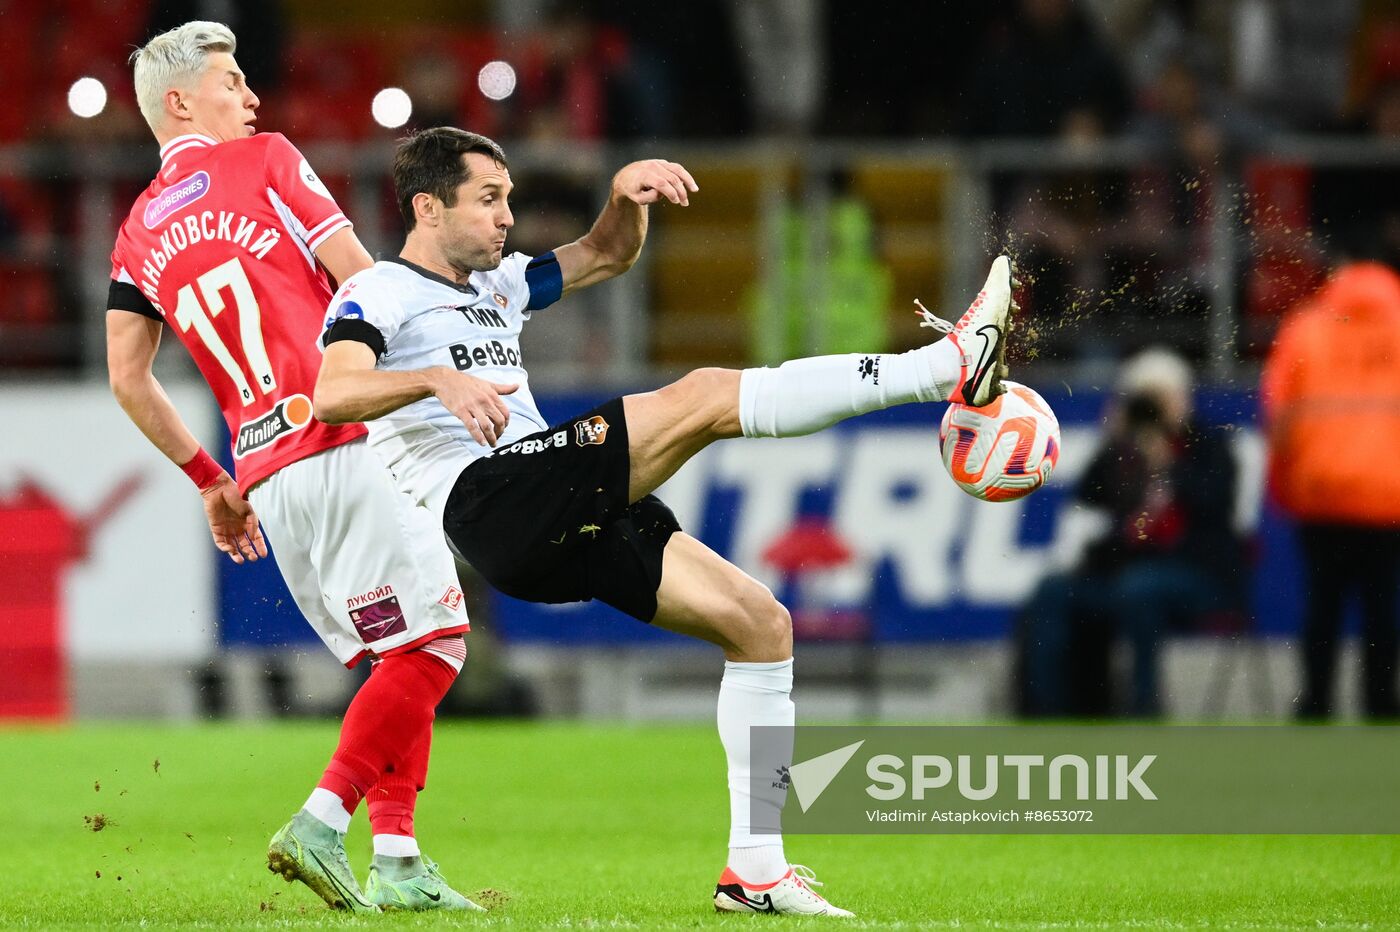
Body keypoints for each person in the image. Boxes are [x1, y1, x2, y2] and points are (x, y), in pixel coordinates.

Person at [312, 126, 1017, 918]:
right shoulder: (377, 291)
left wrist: (623, 198)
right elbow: (333, 395)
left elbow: (606, 256)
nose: (508, 216)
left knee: (761, 625)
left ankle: (755, 873)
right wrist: (433, 380)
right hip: (489, 497)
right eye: (489, 199)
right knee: (707, 393)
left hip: (549, 511)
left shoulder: (499, 284)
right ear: (427, 208)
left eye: (508, 198)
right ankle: (945, 368)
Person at [105, 22, 484, 913]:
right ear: (180, 102)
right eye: (231, 82)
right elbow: (364, 279)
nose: (252, 98)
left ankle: (397, 861)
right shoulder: (266, 159)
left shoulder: (135, 233)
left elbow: (128, 378)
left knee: (397, 650)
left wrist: (210, 480)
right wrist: (448, 364)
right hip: (348, 435)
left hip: (269, 474)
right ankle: (322, 820)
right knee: (435, 647)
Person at [1018, 348, 1246, 717]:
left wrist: (1168, 462)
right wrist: (1112, 440)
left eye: (1159, 398)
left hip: (1196, 574)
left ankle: (1144, 708)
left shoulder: (1208, 446)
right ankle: (1049, 714)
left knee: (1141, 588)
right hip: (1123, 571)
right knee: (1053, 590)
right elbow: (1084, 505)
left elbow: (1215, 503)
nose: (1150, 410)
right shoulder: (1120, 451)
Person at [1262, 262, 1400, 719]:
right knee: (1384, 608)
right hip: (1390, 496)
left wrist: (1283, 485)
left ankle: (1316, 701)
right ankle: (1380, 703)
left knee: (1323, 605)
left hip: (1321, 491)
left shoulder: (1307, 326)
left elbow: (1279, 415)